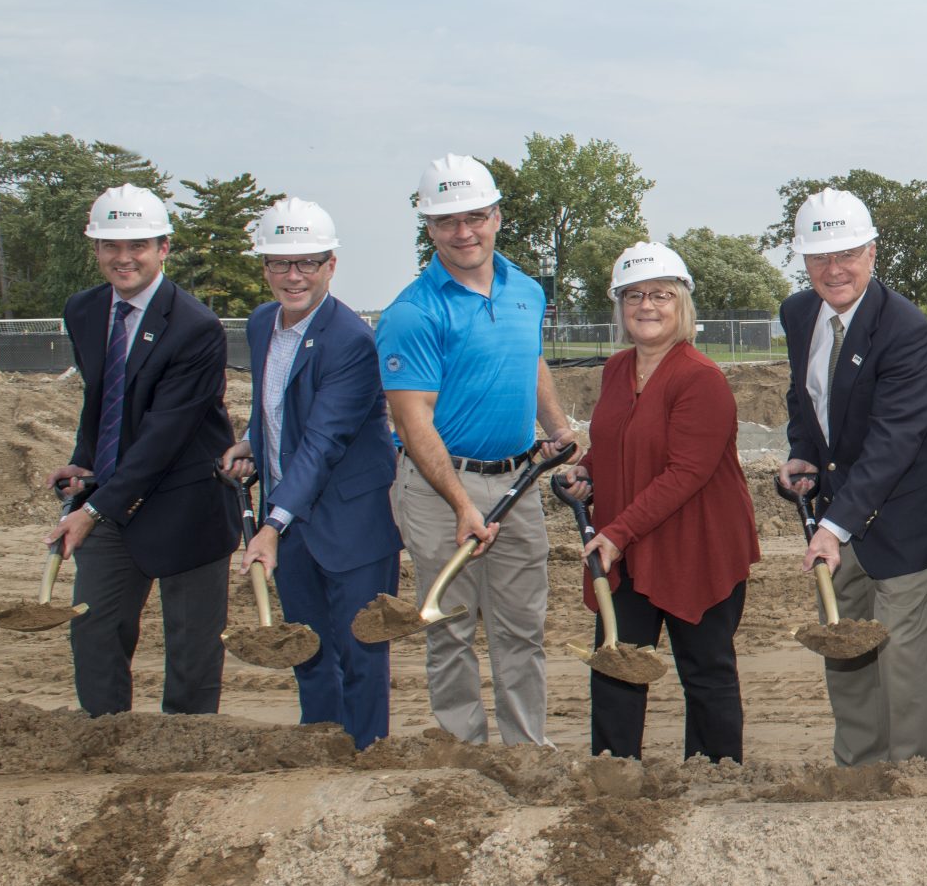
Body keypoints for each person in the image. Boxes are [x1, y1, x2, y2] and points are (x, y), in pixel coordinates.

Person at [378, 153, 576, 746]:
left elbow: (530, 360)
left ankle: (525, 752)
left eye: (474, 217)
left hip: (518, 485)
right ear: (429, 229)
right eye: (446, 222)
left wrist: (559, 428)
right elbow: (414, 425)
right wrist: (463, 503)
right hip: (441, 489)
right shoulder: (412, 312)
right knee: (451, 626)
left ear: (496, 216)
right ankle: (464, 754)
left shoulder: (526, 290)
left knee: (522, 627)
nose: (463, 232)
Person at [777, 188, 927, 766]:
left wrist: (834, 525)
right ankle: (858, 769)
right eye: (819, 257)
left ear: (873, 252)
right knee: (845, 644)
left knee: (901, 657)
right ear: (803, 262)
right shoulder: (799, 313)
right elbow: (804, 398)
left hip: (903, 517)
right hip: (837, 509)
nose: (834, 269)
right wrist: (802, 450)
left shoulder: (904, 326)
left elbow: (895, 441)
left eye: (847, 253)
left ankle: (906, 776)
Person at [50, 184, 240, 716]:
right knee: (95, 634)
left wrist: (92, 510)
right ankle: (106, 742)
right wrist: (84, 460)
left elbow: (164, 436)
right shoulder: (84, 311)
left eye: (138, 245)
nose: (124, 257)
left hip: (186, 504)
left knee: (192, 650)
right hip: (111, 498)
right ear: (96, 250)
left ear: (164, 248)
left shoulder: (196, 327)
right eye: (111, 246)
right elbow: (104, 398)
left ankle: (186, 755)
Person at [568, 243, 758, 763]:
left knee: (705, 669)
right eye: (633, 296)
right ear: (619, 306)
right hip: (626, 546)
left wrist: (617, 532)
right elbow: (615, 443)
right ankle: (613, 773)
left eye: (660, 295)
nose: (646, 306)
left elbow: (686, 473)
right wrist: (585, 469)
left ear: (682, 305)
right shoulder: (617, 369)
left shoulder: (700, 377)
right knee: (615, 662)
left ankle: (716, 776)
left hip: (695, 544)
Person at [233, 196, 401, 750]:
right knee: (307, 648)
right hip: (289, 516)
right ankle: (320, 751)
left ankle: (365, 755)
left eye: (308, 262)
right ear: (263, 267)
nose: (293, 275)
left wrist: (271, 525)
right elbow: (276, 408)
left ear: (331, 265)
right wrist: (251, 446)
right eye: (280, 262)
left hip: (348, 521)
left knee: (360, 652)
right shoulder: (262, 325)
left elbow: (325, 440)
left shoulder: (351, 340)